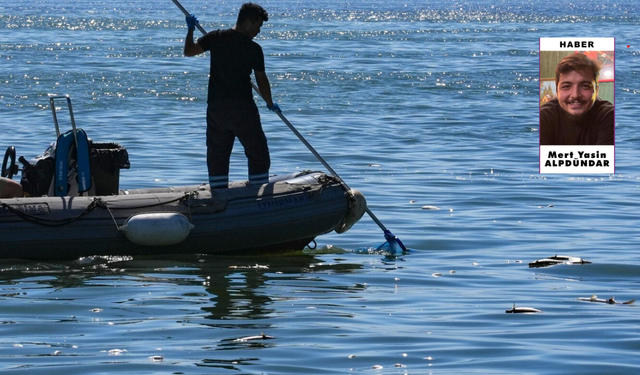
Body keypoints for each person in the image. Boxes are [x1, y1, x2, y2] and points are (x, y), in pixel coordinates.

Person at [183, 3, 280, 189]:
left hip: (216, 108)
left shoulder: (216, 37)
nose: (259, 31)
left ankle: (219, 196)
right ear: (249, 22)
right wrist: (269, 103)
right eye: (258, 26)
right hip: (242, 108)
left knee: (217, 156)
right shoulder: (254, 49)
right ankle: (257, 194)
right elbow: (262, 80)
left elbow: (189, 51)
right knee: (258, 154)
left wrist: (190, 30)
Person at [540, 53, 614, 145]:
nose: (575, 95)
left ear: (596, 90)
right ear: (557, 90)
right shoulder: (543, 117)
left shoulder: (609, 115)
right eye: (566, 86)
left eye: (585, 86)